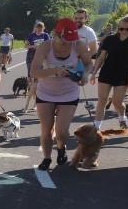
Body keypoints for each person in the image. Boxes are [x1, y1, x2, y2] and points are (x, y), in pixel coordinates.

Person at [29, 18, 93, 170]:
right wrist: (55, 71)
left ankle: (61, 146)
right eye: (65, 40)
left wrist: (85, 74)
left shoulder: (78, 45)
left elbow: (89, 64)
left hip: (69, 91)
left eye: (71, 40)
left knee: (62, 131)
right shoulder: (45, 46)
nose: (68, 43)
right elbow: (34, 71)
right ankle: (46, 157)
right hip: (46, 92)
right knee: (46, 128)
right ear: (56, 35)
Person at [90, 15, 128, 130]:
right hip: (107, 72)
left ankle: (122, 118)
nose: (124, 31)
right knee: (102, 99)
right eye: (121, 28)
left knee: (117, 102)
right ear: (118, 27)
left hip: (124, 73)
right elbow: (101, 57)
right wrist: (94, 72)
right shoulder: (110, 39)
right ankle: (97, 127)